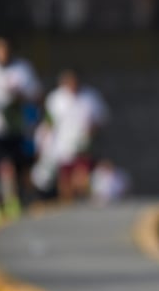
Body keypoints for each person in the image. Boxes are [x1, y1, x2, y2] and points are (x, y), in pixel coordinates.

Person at [0, 36, 43, 220]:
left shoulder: (23, 69)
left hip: (16, 126)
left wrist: (19, 97)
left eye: (5, 51)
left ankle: (13, 201)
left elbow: (37, 95)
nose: (2, 55)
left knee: (16, 166)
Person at [30, 68, 110, 202]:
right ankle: (67, 205)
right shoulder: (55, 99)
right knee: (65, 179)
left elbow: (102, 118)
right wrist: (43, 145)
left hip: (83, 144)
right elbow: (49, 123)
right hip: (62, 146)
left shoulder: (90, 97)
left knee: (81, 176)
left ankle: (82, 202)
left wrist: (92, 129)